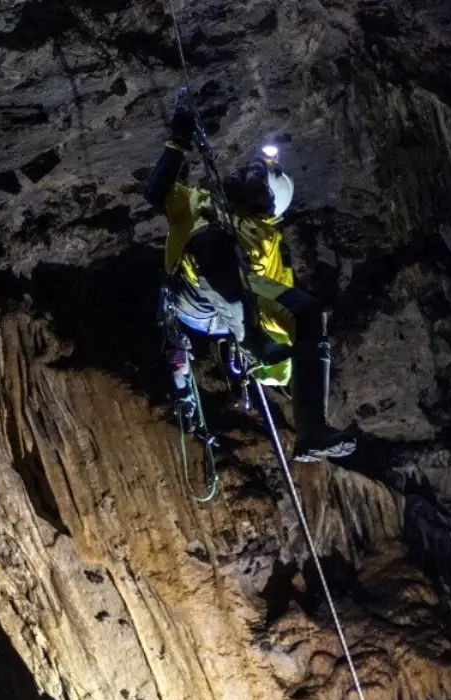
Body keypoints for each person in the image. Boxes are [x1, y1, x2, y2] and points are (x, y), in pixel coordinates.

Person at [144, 98, 356, 463]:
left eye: (254, 176)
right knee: (216, 242)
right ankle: (251, 336)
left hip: (239, 293)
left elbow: (281, 304)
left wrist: (278, 361)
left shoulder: (269, 241)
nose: (242, 173)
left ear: (267, 202)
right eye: (247, 170)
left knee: (309, 311)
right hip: (192, 290)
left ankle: (312, 429)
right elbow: (157, 189)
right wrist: (179, 138)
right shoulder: (199, 202)